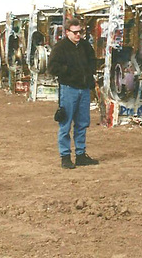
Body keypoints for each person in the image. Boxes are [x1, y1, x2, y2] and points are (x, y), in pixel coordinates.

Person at [48, 18, 100, 169]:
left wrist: (89, 76)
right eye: (75, 32)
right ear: (67, 32)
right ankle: (65, 156)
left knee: (82, 123)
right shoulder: (60, 47)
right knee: (65, 124)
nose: (78, 35)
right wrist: (69, 72)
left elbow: (92, 61)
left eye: (80, 32)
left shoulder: (85, 46)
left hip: (83, 89)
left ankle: (81, 155)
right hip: (68, 89)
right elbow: (52, 67)